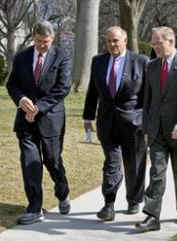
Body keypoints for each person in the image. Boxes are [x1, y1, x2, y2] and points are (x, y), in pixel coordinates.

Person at [136, 26, 177, 232]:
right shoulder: (152, 66)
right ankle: (152, 215)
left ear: (170, 41)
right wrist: (147, 128)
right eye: (153, 43)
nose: (154, 47)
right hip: (157, 130)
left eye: (157, 43)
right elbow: (148, 100)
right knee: (156, 172)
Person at [6, 21, 71, 225]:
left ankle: (63, 192)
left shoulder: (62, 56)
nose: (42, 45)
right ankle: (35, 208)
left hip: (51, 120)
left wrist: (38, 108)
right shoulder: (22, 56)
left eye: (46, 42)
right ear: (33, 38)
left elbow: (63, 88)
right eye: (38, 41)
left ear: (52, 39)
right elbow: (12, 84)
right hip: (25, 121)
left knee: (53, 161)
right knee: (30, 163)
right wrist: (21, 99)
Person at [83, 26, 148, 221]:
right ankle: (109, 204)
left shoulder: (140, 61)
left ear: (125, 40)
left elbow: (148, 95)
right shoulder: (98, 61)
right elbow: (92, 92)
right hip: (107, 122)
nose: (112, 44)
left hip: (133, 122)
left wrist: (147, 121)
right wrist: (88, 117)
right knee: (111, 163)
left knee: (134, 163)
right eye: (109, 41)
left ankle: (134, 199)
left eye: (116, 41)